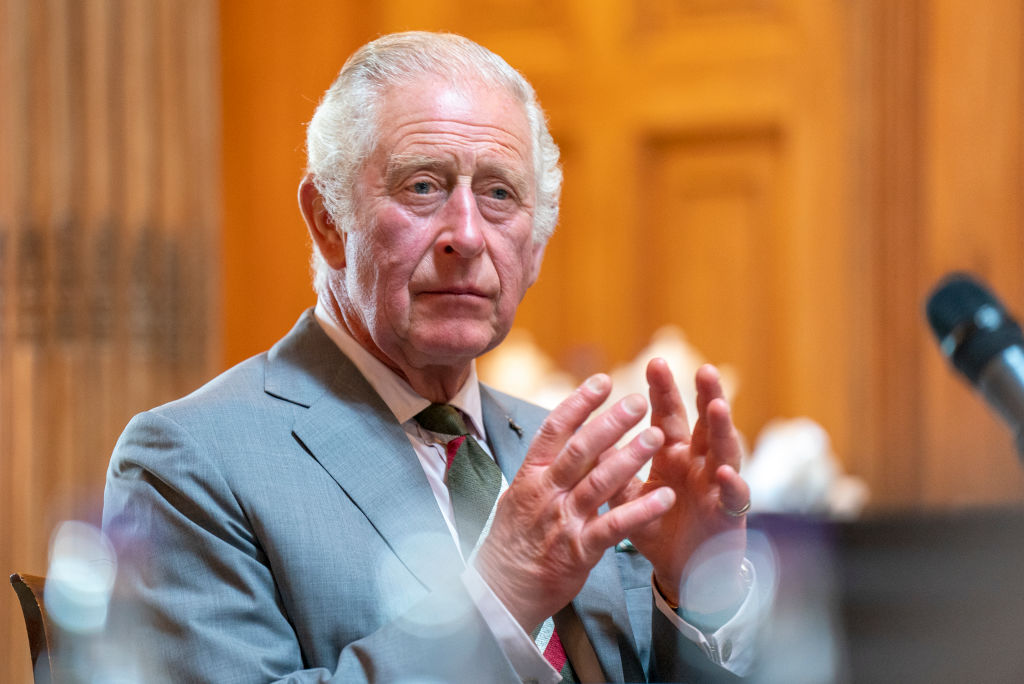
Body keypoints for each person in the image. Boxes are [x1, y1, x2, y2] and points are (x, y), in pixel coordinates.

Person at [102, 31, 759, 683]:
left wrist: (695, 595)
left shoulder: (567, 459)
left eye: (500, 194)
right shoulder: (189, 463)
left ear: (535, 250)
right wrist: (496, 597)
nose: (467, 236)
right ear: (328, 220)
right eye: (422, 186)